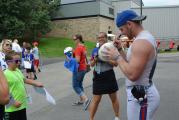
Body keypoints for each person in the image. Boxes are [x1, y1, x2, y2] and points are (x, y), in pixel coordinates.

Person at [103, 10, 160, 120]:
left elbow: (133, 74)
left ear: (129, 24)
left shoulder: (141, 42)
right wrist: (119, 50)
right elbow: (131, 64)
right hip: (141, 93)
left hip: (141, 96)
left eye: (121, 29)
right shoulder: (142, 39)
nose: (122, 33)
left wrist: (117, 57)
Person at [88, 32, 120, 120]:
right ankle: (91, 119)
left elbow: (116, 64)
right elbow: (91, 64)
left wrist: (105, 59)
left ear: (106, 38)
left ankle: (117, 117)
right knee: (96, 100)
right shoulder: (95, 50)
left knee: (113, 98)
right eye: (98, 38)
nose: (100, 39)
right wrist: (95, 59)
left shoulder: (111, 49)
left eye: (102, 37)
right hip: (98, 76)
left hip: (109, 75)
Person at [4, 51, 43, 120]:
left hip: (21, 105)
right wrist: (12, 102)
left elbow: (24, 80)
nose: (19, 63)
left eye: (19, 61)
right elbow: (3, 91)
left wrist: (36, 83)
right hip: (12, 108)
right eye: (16, 61)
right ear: (8, 62)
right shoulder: (5, 74)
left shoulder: (17, 70)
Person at [72, 34, 90, 108]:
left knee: (75, 86)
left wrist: (70, 58)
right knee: (79, 84)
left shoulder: (78, 48)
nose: (74, 41)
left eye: (74, 39)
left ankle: (86, 99)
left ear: (78, 39)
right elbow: (84, 56)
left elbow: (77, 60)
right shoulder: (83, 46)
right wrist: (74, 52)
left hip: (78, 69)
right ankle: (82, 100)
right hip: (83, 68)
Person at [0, 39, 12, 120]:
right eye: (7, 45)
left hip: (10, 85)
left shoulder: (10, 57)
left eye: (10, 45)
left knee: (9, 109)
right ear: (2, 46)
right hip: (2, 86)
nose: (9, 46)